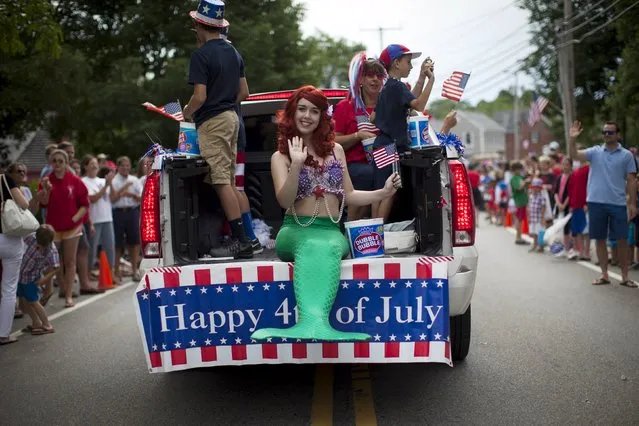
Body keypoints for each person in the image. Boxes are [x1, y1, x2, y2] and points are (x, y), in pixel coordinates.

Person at [250, 86, 401, 341]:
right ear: (291, 113)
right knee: (315, 244)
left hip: (330, 231)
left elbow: (350, 195)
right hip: (294, 231)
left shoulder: (336, 151)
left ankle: (316, 323)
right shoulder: (280, 156)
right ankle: (311, 323)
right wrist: (296, 164)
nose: (307, 116)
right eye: (301, 109)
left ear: (322, 117)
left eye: (314, 111)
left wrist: (383, 193)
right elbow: (284, 200)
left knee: (329, 244)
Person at [183, 0, 253, 259]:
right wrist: (225, 105)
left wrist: (186, 113)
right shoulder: (234, 52)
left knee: (221, 181)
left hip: (213, 122)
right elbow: (244, 92)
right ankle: (248, 239)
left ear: (198, 25)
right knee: (230, 180)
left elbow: (199, 97)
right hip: (232, 118)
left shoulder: (201, 55)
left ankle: (242, 242)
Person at [568, 120, 637, 287]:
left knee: (622, 239)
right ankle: (604, 274)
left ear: (618, 135)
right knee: (599, 239)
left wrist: (633, 203)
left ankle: (625, 277)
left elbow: (631, 180)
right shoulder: (595, 152)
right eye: (604, 132)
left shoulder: (627, 155)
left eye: (610, 132)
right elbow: (574, 155)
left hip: (618, 203)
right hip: (596, 202)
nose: (606, 135)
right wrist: (572, 139)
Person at [372, 44, 435, 221]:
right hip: (391, 146)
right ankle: (378, 233)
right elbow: (419, 105)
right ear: (396, 63)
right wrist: (431, 81)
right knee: (389, 191)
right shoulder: (396, 87)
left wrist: (421, 77)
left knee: (380, 190)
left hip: (381, 144)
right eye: (408, 62)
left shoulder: (389, 87)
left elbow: (408, 101)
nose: (412, 66)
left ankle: (375, 232)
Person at [333, 53, 386, 220]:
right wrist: (358, 135)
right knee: (370, 174)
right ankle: (352, 228)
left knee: (394, 176)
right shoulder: (346, 107)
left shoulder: (387, 107)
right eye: (370, 75)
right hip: (353, 166)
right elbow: (333, 142)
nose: (375, 79)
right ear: (360, 80)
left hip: (383, 163)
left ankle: (380, 229)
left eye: (379, 75)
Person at [37, 149, 90, 308]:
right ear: (51, 163)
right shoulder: (46, 181)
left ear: (66, 163)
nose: (58, 164)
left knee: (70, 261)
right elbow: (44, 204)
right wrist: (46, 190)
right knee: (56, 263)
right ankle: (62, 288)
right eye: (55, 161)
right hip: (53, 228)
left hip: (72, 228)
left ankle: (68, 296)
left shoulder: (74, 180)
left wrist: (75, 218)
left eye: (61, 161)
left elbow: (85, 204)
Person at [0, 172, 30, 345]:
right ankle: (3, 334)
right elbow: (24, 204)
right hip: (9, 238)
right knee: (9, 288)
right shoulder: (5, 179)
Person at [17, 225, 59, 336]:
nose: (39, 248)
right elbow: (20, 239)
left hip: (31, 277)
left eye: (43, 247)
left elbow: (56, 268)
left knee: (33, 301)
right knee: (25, 300)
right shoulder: (31, 237)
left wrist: (45, 279)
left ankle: (47, 324)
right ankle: (36, 322)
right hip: (20, 275)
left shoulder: (52, 251)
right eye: (38, 245)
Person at [82, 156, 118, 285]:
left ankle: (111, 274)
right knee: (91, 249)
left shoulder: (103, 181)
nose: (94, 166)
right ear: (85, 166)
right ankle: (87, 274)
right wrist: (106, 186)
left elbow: (113, 198)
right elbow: (93, 198)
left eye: (95, 164)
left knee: (110, 247)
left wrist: (110, 184)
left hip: (107, 218)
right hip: (94, 220)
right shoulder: (84, 181)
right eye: (91, 164)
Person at [110, 156, 142, 282]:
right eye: (122, 165)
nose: (125, 168)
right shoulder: (113, 180)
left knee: (134, 242)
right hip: (118, 212)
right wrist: (123, 189)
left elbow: (141, 197)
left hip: (132, 211)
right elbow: (113, 199)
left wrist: (131, 194)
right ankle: (117, 271)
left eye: (127, 165)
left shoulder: (134, 180)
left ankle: (135, 270)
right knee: (117, 243)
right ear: (118, 167)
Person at [510, 161, 530, 245]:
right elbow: (518, 188)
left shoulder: (519, 177)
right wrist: (525, 183)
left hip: (523, 201)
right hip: (519, 201)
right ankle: (518, 237)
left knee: (520, 219)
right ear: (514, 170)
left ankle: (519, 236)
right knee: (519, 219)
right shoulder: (514, 178)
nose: (519, 171)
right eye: (518, 169)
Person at [527, 178, 547, 253]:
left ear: (540, 188)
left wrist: (542, 217)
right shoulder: (531, 196)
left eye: (537, 187)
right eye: (534, 187)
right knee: (534, 232)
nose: (535, 189)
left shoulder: (542, 197)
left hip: (539, 217)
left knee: (540, 232)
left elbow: (543, 207)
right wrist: (528, 216)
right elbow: (529, 206)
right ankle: (534, 244)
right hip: (533, 217)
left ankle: (540, 246)